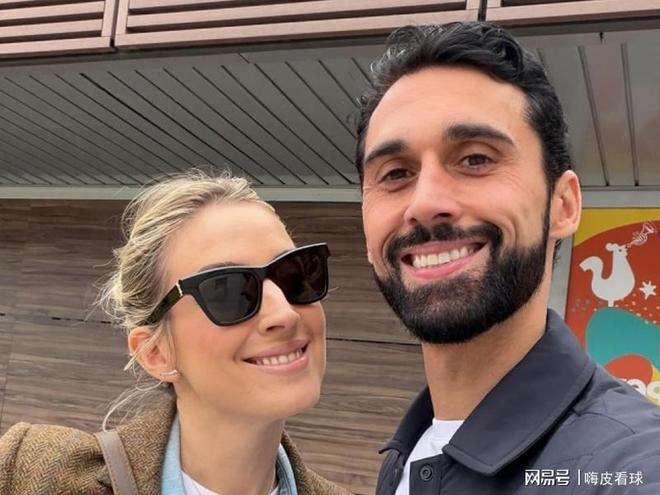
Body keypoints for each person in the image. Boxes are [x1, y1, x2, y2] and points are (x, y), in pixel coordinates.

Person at [354, 22, 660, 495]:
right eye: (395, 173)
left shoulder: (630, 466)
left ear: (563, 205)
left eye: (476, 159)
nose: (424, 203)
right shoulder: (408, 451)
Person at [0, 171, 351, 495]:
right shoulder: (30, 472)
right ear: (155, 353)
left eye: (294, 275)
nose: (285, 313)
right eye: (227, 291)